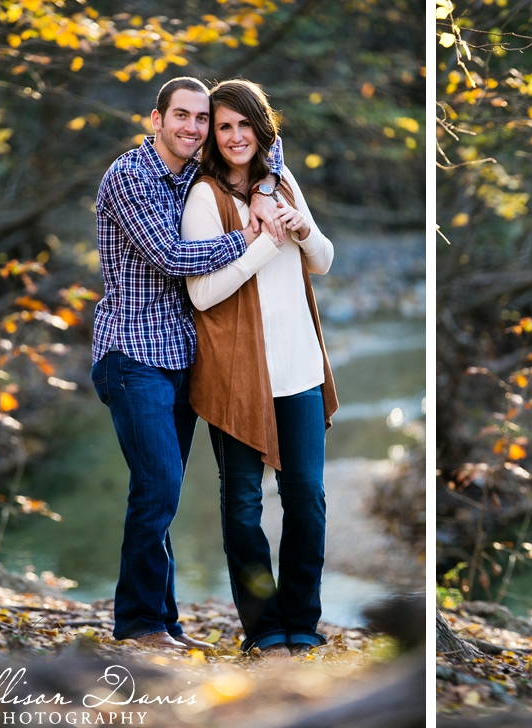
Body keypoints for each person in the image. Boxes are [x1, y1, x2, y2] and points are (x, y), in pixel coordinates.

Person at [91, 76, 287, 651]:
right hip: (132, 355)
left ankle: (164, 622)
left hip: (179, 357)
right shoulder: (131, 176)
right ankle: (139, 625)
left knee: (163, 492)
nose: (194, 128)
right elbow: (171, 257)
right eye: (183, 116)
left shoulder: (189, 174)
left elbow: (265, 143)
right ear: (156, 118)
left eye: (203, 120)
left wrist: (265, 186)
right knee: (158, 488)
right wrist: (247, 237)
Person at [180, 79, 337, 656]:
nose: (236, 136)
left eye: (245, 124)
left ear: (261, 127)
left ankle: (303, 620)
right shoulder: (202, 198)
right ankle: (263, 627)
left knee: (306, 499)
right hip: (237, 374)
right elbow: (202, 295)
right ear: (213, 138)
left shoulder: (283, 182)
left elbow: (322, 261)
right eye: (224, 127)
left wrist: (301, 229)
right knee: (243, 504)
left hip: (298, 369)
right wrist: (265, 246)